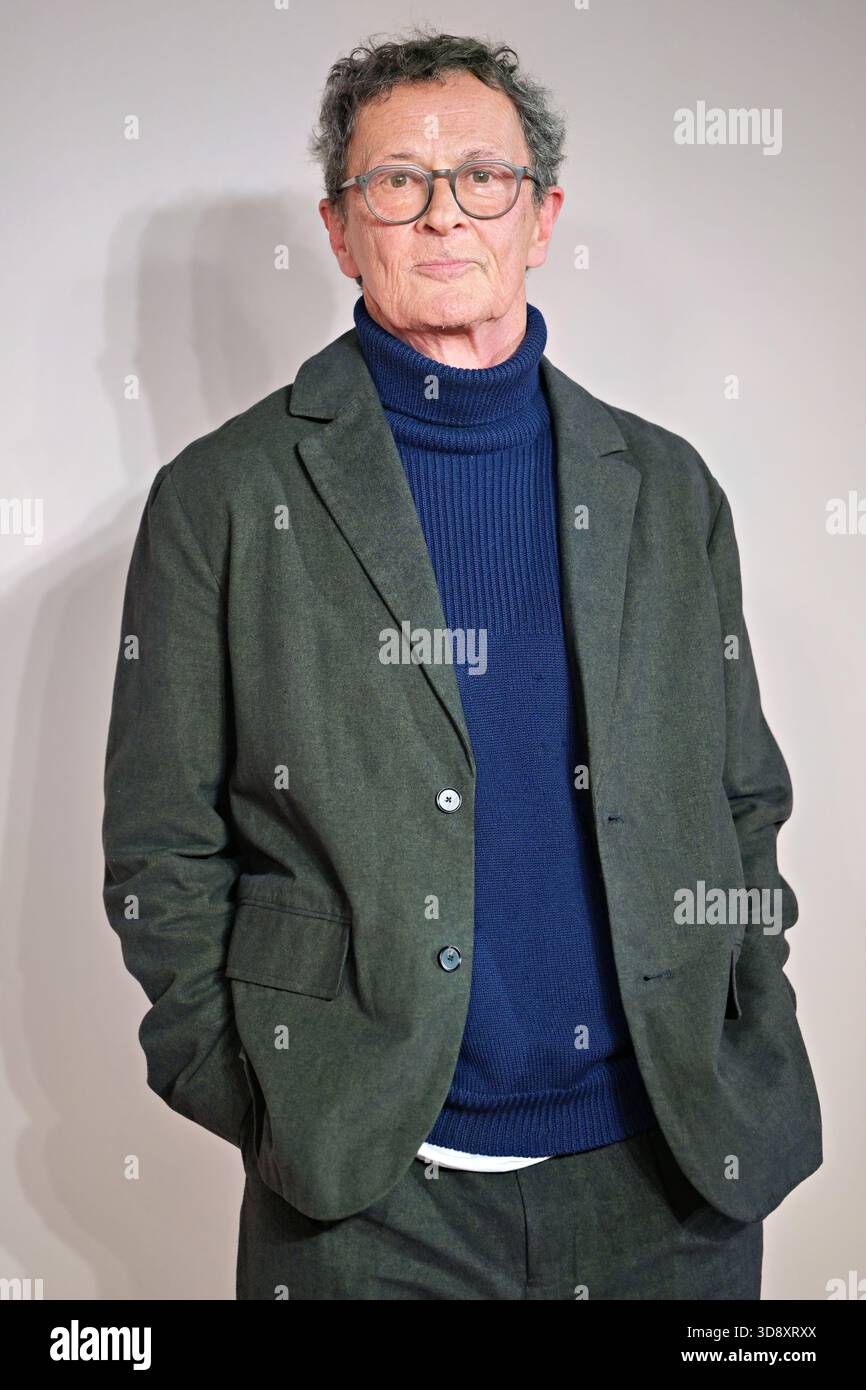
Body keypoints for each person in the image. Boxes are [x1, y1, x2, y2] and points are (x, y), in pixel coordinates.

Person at [101, 28, 822, 1300]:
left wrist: (742, 1017)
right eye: (396, 183)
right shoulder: (223, 496)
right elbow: (162, 846)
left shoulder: (662, 487)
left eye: (480, 178)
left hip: (670, 1182)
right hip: (369, 1199)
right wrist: (271, 1101)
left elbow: (740, 798)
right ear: (339, 229)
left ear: (540, 216)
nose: (442, 215)